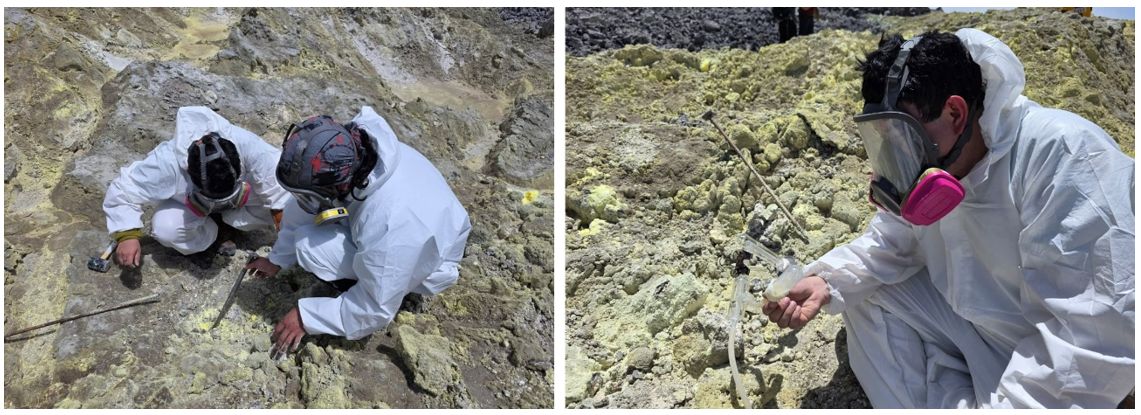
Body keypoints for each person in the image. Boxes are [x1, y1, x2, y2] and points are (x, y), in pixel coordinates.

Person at [762, 29, 1134, 408]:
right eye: (883, 141)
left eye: (904, 139)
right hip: (978, 329)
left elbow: (1093, 332)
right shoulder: (940, 162)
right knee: (865, 292)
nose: (895, 158)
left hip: (1044, 345)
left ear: (955, 113)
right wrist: (826, 280)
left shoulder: (1062, 156)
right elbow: (893, 241)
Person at [244, 107, 471, 355]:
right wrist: (278, 259)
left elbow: (374, 307)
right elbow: (301, 211)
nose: (299, 200)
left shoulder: (392, 225)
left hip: (426, 259)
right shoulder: (355, 151)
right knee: (311, 232)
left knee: (311, 248)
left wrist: (307, 316)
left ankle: (365, 288)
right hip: (410, 228)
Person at [103, 106, 289, 268]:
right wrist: (127, 235)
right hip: (190, 205)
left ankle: (231, 223)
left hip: (242, 199)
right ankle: (213, 235)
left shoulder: (252, 148)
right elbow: (124, 190)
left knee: (285, 203)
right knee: (166, 229)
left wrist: (284, 251)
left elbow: (280, 194)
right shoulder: (166, 164)